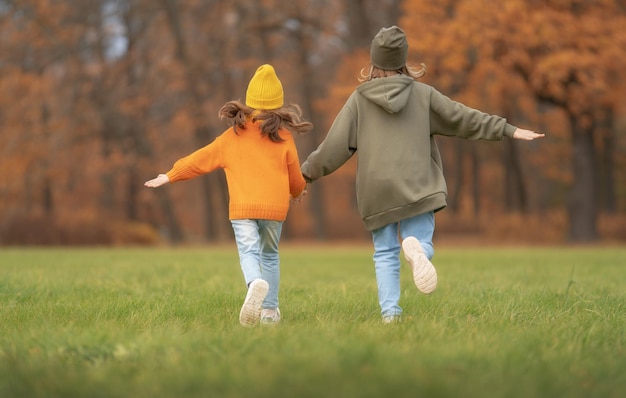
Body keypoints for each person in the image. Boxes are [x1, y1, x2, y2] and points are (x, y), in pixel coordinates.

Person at [300, 26, 545, 324]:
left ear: (374, 61)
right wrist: (508, 129)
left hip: (377, 191)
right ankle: (418, 250)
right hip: (417, 184)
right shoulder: (424, 95)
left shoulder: (358, 100)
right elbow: (463, 118)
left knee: (385, 253)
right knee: (420, 239)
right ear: (404, 59)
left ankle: (391, 314)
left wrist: (305, 175)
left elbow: (333, 147)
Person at [145, 64, 311, 327]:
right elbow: (294, 173)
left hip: (242, 209)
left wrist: (170, 175)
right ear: (278, 105)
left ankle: (254, 282)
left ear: (249, 101)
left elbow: (200, 158)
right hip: (274, 210)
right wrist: (298, 190)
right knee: (269, 254)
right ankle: (269, 313)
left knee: (248, 252)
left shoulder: (232, 136)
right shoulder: (283, 136)